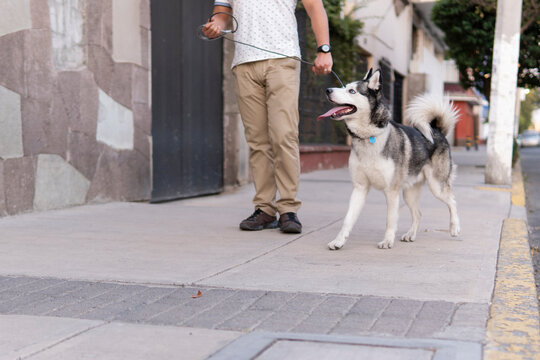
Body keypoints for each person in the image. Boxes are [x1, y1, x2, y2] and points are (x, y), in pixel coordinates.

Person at [203, 0, 333, 234]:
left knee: (284, 135)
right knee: (257, 140)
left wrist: (324, 49)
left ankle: (288, 209)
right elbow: (222, 14)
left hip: (282, 59)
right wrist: (215, 26)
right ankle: (264, 209)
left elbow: (315, 7)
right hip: (244, 63)